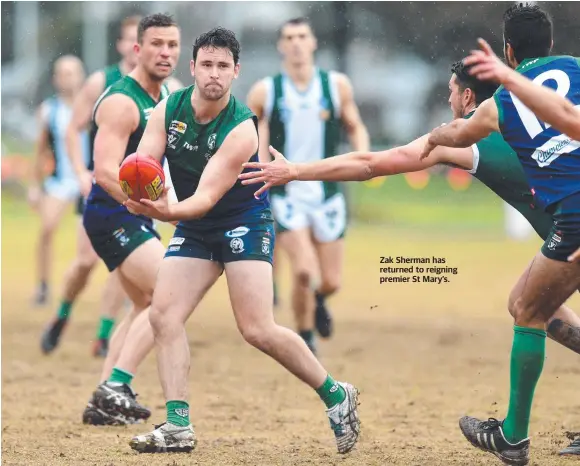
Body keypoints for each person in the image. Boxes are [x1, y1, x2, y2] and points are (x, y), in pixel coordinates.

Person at [118, 27, 360, 455]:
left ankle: (336, 395)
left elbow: (208, 196)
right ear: (192, 68)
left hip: (241, 220)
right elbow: (147, 162)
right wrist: (140, 190)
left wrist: (165, 212)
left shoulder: (243, 128)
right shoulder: (167, 109)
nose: (213, 74)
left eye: (222, 67)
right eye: (206, 65)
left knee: (257, 329)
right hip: (194, 224)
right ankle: (177, 426)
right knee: (163, 315)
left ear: (236, 73)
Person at [240, 59, 580, 357]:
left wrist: (297, 170)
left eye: (451, 91)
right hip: (564, 234)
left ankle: (513, 429)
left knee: (527, 307)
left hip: (569, 233)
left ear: (467, 96)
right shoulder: (538, 115)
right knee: (525, 303)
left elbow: (370, 164)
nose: (448, 99)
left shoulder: (463, 140)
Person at [419, 4, 580, 464]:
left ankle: (512, 437)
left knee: (529, 310)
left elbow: (460, 136)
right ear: (550, 44)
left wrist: (433, 138)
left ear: (509, 52)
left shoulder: (499, 104)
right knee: (524, 303)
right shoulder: (577, 69)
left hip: (573, 218)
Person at [80, 13, 181, 426]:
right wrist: (141, 206)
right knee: (169, 295)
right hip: (112, 214)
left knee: (143, 303)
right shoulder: (123, 102)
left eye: (173, 45)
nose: (166, 52)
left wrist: (172, 207)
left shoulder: (165, 97)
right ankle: (115, 386)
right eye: (157, 44)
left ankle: (105, 401)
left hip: (134, 215)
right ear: (136, 49)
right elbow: (104, 171)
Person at [246, 17, 370, 354]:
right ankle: (305, 338)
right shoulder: (266, 90)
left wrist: (363, 158)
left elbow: (354, 125)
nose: (297, 43)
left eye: (302, 36)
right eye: (289, 37)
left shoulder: (336, 85)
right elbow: (252, 135)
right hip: (287, 194)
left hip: (327, 192)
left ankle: (318, 301)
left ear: (313, 42)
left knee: (331, 281)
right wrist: (258, 168)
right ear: (281, 46)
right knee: (303, 270)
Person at [40, 15, 141, 357]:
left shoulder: (167, 87)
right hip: (100, 188)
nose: (136, 46)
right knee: (85, 263)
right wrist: (81, 173)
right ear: (122, 44)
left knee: (123, 264)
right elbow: (72, 128)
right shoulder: (102, 81)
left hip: (138, 194)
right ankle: (61, 315)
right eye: (130, 39)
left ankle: (103, 334)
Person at [29, 55, 87, 306]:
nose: (67, 78)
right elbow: (40, 150)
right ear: (55, 79)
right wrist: (34, 186)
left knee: (109, 235)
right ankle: (42, 286)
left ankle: (129, 289)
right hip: (62, 181)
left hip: (89, 178)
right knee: (47, 228)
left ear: (82, 76)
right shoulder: (48, 110)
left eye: (71, 72)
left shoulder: (93, 105)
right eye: (62, 73)